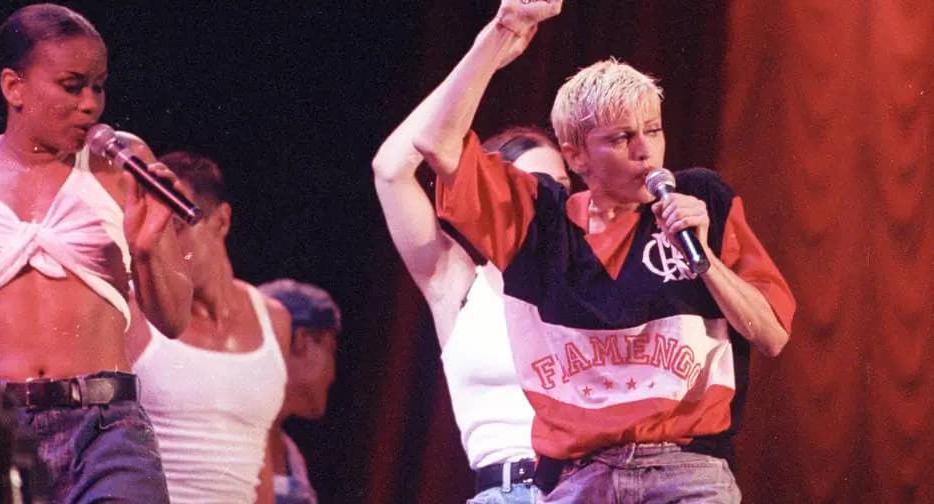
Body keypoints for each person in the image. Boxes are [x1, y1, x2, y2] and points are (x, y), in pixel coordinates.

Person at [406, 1, 797, 502]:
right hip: (580, 477)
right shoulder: (540, 225)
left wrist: (706, 259)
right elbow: (436, 144)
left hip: (688, 470)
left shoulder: (703, 201)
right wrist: (502, 31)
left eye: (653, 131)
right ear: (575, 156)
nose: (645, 151)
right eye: (621, 138)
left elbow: (771, 336)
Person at [0, 4, 192, 503]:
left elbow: (173, 320)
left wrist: (146, 250)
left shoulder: (122, 166)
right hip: (1, 432)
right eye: (72, 85)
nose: (90, 104)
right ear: (14, 87)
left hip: (106, 430)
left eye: (98, 86)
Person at [374, 111, 569, 501]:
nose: (551, 200)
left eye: (561, 187)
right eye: (534, 186)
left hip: (582, 488)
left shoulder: (586, 283)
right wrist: (489, 54)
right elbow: (391, 170)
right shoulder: (458, 285)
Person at [128, 152, 290, 503]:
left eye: (178, 227)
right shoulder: (132, 314)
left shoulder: (274, 321)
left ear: (221, 221)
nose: (164, 243)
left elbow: (258, 461)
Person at [258, 279, 341, 504]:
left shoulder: (291, 456)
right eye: (330, 350)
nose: (332, 375)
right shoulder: (230, 432)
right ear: (301, 340)